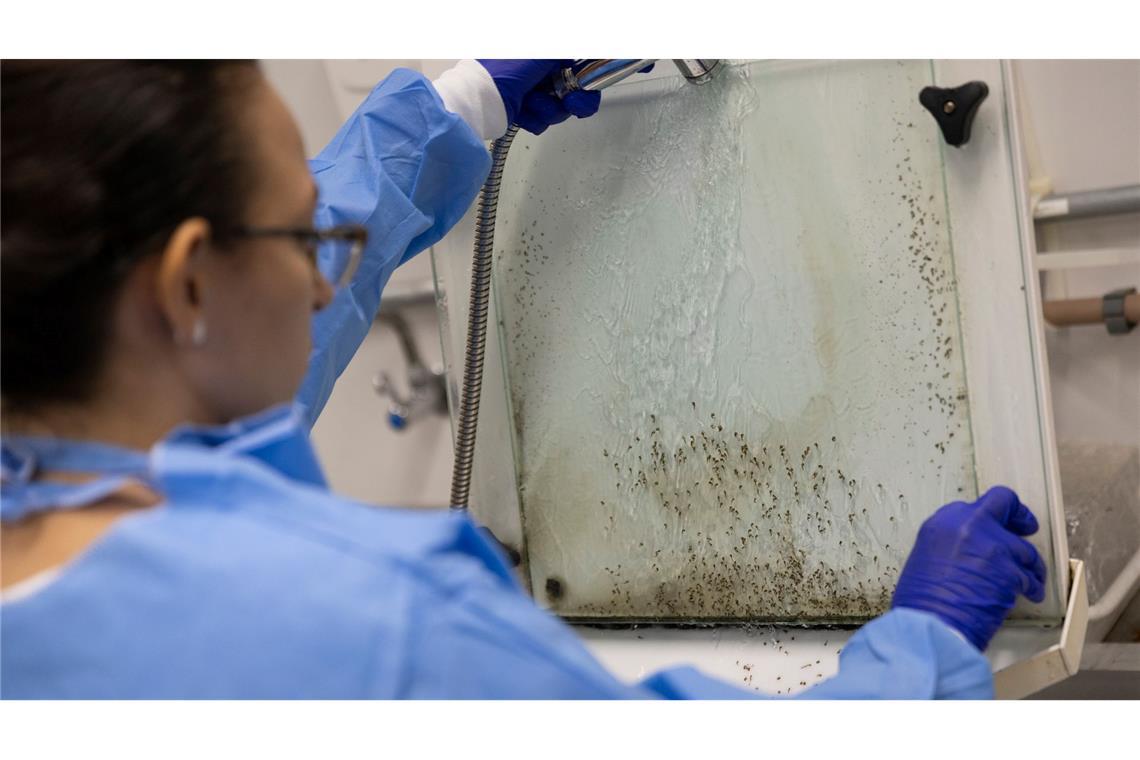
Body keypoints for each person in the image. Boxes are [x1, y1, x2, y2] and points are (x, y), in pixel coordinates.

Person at [0, 60, 1047, 698]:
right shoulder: (369, 625)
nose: (326, 277)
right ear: (186, 285)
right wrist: (920, 652)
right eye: (304, 234)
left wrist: (460, 105)